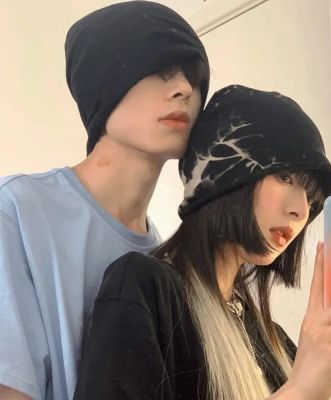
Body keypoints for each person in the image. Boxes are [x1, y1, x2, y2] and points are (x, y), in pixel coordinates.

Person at [73, 84, 331, 400]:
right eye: (285, 177)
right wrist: (299, 391)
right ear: (226, 175)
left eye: (311, 198)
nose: (301, 211)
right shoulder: (145, 288)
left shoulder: (275, 343)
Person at [0, 2, 209, 400]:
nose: (184, 89)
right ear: (103, 79)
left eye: (194, 77)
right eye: (159, 70)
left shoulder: (161, 258)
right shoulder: (16, 211)